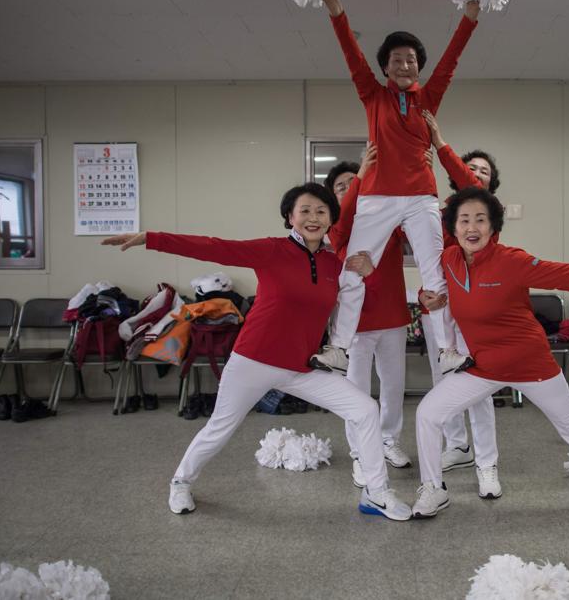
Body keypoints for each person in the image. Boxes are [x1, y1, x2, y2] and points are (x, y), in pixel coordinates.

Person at [101, 183, 412, 521]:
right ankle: (181, 480)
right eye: (304, 210)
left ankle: (377, 494)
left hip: (301, 367)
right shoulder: (271, 250)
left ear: (330, 219)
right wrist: (152, 238)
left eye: (321, 211)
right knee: (219, 428)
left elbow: (360, 301)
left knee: (365, 409)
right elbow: (213, 247)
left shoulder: (334, 265)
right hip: (253, 360)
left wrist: (368, 275)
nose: (313, 217)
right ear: (289, 217)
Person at [412, 187, 569, 519]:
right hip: (483, 366)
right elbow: (435, 292)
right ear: (454, 227)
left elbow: (565, 274)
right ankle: (433, 488)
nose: (472, 228)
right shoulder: (449, 261)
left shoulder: (511, 261)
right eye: (464, 220)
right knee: (428, 413)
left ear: (493, 226)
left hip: (531, 364)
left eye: (480, 220)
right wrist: (425, 298)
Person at [308, 0, 481, 377]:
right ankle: (338, 347)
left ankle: (447, 350)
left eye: (412, 60)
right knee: (353, 270)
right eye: (397, 60)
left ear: (418, 67)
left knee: (433, 272)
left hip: (421, 198)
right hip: (377, 197)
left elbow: (450, 61)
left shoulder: (428, 98)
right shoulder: (373, 96)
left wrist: (469, 18)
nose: (405, 65)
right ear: (385, 67)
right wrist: (337, 12)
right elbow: (352, 57)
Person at [417, 111, 502, 498]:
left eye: (484, 170)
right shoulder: (440, 210)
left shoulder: (487, 214)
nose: (477, 173)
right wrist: (424, 296)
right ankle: (459, 446)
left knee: (477, 389)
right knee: (444, 382)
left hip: (475, 307)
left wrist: (438, 140)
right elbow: (426, 258)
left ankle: (487, 464)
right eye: (472, 168)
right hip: (440, 307)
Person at [325, 147, 415, 487]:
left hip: (392, 317)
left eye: (354, 183)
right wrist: (362, 172)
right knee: (356, 392)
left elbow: (417, 227)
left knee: (393, 387)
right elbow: (348, 256)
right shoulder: (337, 228)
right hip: (357, 326)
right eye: (341, 186)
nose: (350, 189)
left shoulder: (388, 222)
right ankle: (361, 452)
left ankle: (388, 440)